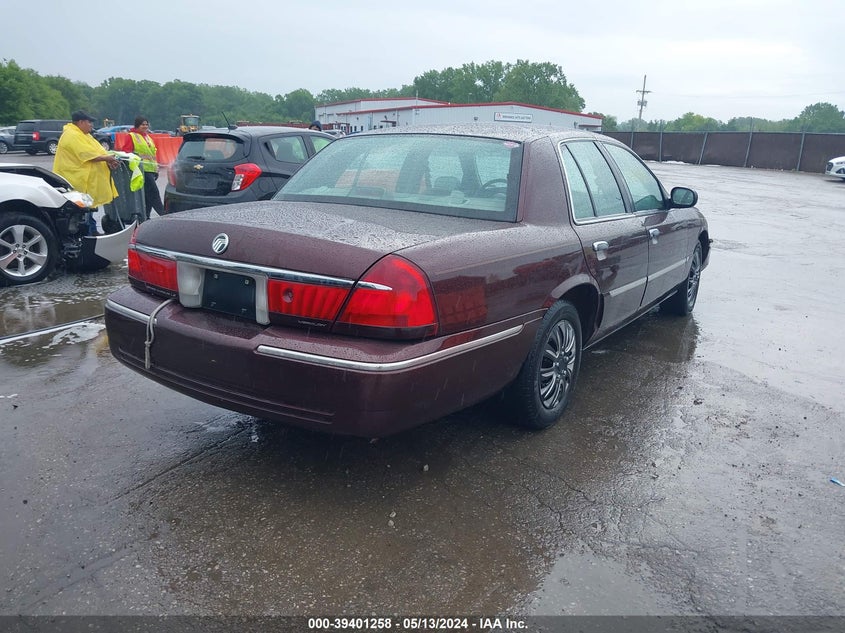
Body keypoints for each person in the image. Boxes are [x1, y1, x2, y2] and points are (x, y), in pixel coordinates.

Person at [53, 110, 119, 235]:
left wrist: (109, 159)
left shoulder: (84, 135)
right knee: (82, 210)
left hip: (87, 182)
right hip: (76, 180)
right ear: (81, 122)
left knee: (89, 209)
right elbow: (86, 154)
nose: (91, 125)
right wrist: (107, 158)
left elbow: (98, 151)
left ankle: (92, 231)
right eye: (89, 122)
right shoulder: (71, 135)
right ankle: (86, 235)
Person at [117, 116, 163, 216]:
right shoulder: (131, 136)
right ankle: (164, 214)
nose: (145, 126)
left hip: (151, 170)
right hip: (141, 170)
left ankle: (146, 217)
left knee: (148, 196)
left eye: (146, 124)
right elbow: (127, 152)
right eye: (143, 124)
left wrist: (156, 170)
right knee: (154, 193)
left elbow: (152, 155)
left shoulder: (148, 137)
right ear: (137, 125)